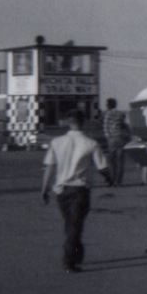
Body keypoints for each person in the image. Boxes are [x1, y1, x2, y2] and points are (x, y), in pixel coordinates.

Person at [41, 109, 113, 273]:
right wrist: (109, 178)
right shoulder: (91, 143)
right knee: (75, 226)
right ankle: (70, 261)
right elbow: (102, 166)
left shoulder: (56, 142)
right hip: (80, 190)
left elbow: (49, 167)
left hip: (61, 191)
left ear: (68, 122)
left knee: (71, 224)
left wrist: (44, 189)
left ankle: (75, 254)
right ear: (84, 122)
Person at [102, 98, 129, 186]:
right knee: (120, 161)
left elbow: (105, 127)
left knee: (111, 161)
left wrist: (108, 137)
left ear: (109, 105)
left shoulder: (107, 114)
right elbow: (124, 125)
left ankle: (112, 180)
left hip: (112, 139)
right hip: (120, 138)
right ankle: (119, 181)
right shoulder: (121, 114)